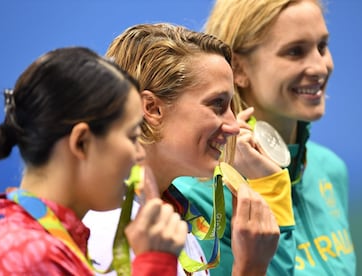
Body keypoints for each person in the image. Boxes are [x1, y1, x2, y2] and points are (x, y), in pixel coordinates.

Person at [83, 23, 282, 276]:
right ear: (152, 109)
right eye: (217, 105)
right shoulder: (110, 227)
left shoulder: (167, 219)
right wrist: (250, 269)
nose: (233, 125)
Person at [175, 0, 356, 275]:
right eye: (295, 52)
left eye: (322, 47)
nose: (320, 67)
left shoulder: (329, 169)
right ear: (239, 69)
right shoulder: (200, 195)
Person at [0, 47, 188, 275]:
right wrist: (154, 264)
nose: (139, 154)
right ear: (82, 142)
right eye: (132, 137)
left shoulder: (51, 244)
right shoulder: (28, 256)